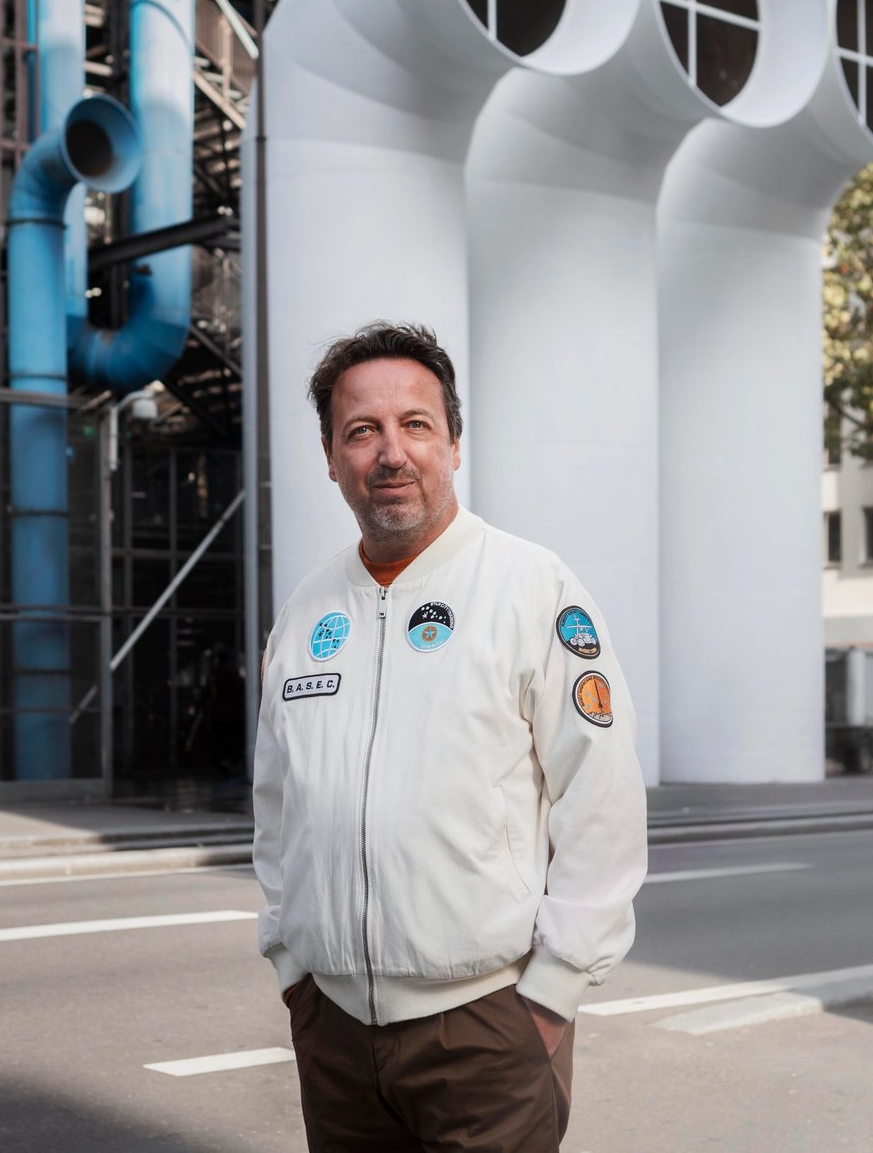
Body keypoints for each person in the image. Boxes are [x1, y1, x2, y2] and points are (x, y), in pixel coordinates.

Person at [252, 322, 648, 1152]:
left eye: (416, 425)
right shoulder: (307, 613)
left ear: (455, 445)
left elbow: (600, 795)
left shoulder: (533, 589)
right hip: (335, 1035)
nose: (390, 452)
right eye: (362, 431)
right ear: (330, 457)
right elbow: (278, 804)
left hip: (485, 1031)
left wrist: (551, 995)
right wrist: (294, 969)